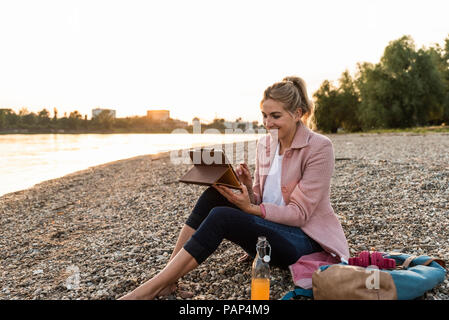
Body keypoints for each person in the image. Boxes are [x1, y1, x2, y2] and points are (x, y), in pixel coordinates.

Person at [119, 76, 349, 300]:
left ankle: (146, 292)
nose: (268, 123)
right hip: (271, 229)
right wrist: (248, 188)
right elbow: (261, 198)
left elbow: (299, 214)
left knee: (223, 217)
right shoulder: (265, 144)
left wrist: (249, 209)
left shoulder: (319, 147)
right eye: (265, 116)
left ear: (297, 114)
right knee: (214, 196)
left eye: (276, 116)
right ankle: (168, 280)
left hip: (303, 242)